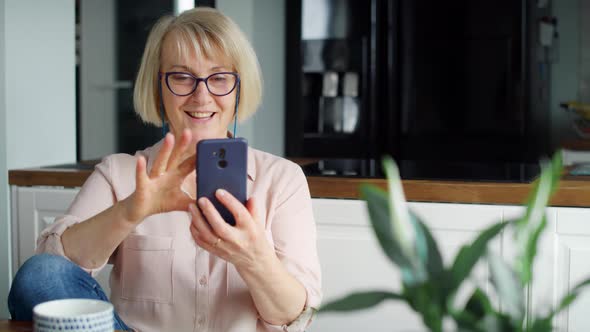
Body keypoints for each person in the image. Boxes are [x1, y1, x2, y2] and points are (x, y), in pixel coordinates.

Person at [7, 7, 322, 332]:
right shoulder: (119, 173)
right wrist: (130, 211)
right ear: (158, 86)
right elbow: (46, 277)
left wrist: (254, 258)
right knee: (41, 273)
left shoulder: (281, 180)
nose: (202, 95)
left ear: (238, 87)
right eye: (182, 76)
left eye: (219, 77)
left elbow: (296, 317)